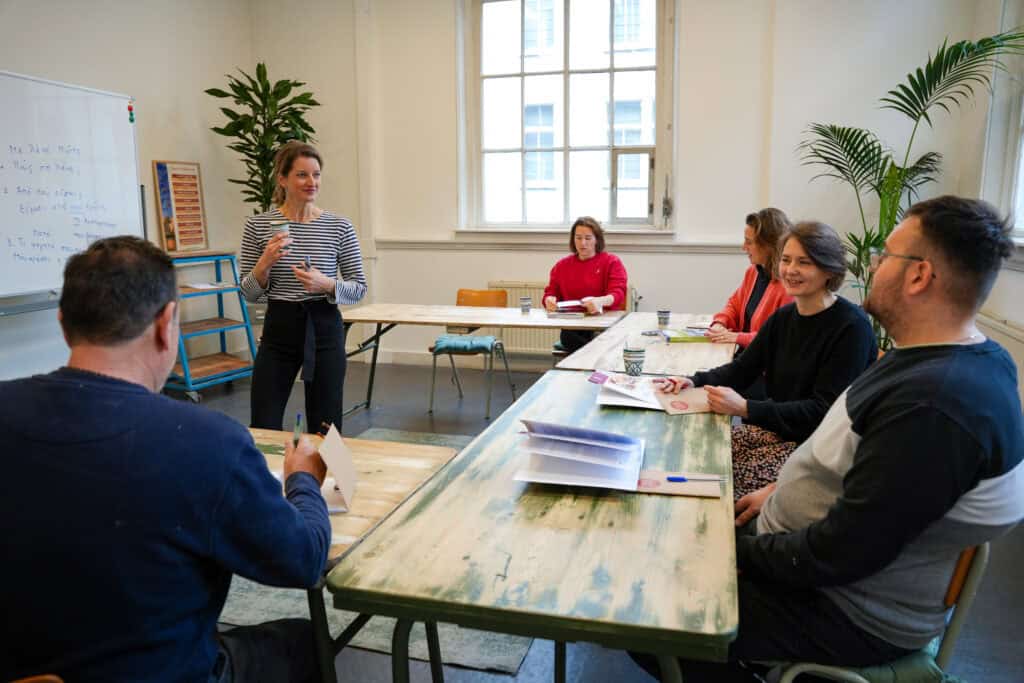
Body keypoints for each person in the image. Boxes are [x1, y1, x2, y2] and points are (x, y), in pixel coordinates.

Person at [635, 195, 1024, 682]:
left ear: (919, 275)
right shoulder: (946, 363)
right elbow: (869, 487)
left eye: (886, 254)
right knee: (663, 543)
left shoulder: (935, 405)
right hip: (817, 563)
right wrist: (778, 493)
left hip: (846, 610)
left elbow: (840, 553)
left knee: (645, 612)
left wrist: (727, 552)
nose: (874, 263)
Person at [0, 236, 331, 682]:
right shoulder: (210, 443)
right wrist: (303, 479)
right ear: (167, 323)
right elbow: (304, 559)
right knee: (304, 642)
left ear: (63, 324)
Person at [658, 221, 877, 498]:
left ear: (829, 269)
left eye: (804, 262)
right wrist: (691, 380)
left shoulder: (850, 327)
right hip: (780, 432)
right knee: (695, 451)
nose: (791, 270)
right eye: (786, 260)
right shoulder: (784, 319)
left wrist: (747, 408)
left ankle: (727, 538)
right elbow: (742, 369)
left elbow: (823, 412)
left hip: (819, 449)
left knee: (722, 485)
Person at [240, 140, 367, 432]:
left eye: (317, 174)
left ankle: (332, 479)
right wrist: (264, 264)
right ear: (282, 179)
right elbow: (249, 294)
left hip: (324, 329)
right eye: (302, 174)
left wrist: (327, 284)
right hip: (279, 329)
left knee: (326, 426)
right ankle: (266, 478)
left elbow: (359, 288)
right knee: (263, 422)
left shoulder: (339, 226)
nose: (312, 182)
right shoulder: (258, 226)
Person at [707, 207, 793, 348]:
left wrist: (737, 337)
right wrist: (720, 323)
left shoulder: (788, 287)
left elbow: (779, 338)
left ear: (768, 245)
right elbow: (734, 305)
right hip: (745, 357)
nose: (743, 247)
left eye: (749, 242)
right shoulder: (753, 272)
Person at [543, 216, 628, 353]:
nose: (583, 243)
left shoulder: (612, 262)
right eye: (578, 238)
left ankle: (592, 356)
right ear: (573, 239)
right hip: (574, 324)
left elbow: (618, 292)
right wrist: (549, 300)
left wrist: (600, 301)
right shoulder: (562, 266)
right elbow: (551, 291)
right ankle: (597, 354)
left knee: (597, 339)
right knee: (569, 336)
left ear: (596, 240)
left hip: (601, 323)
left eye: (588, 238)